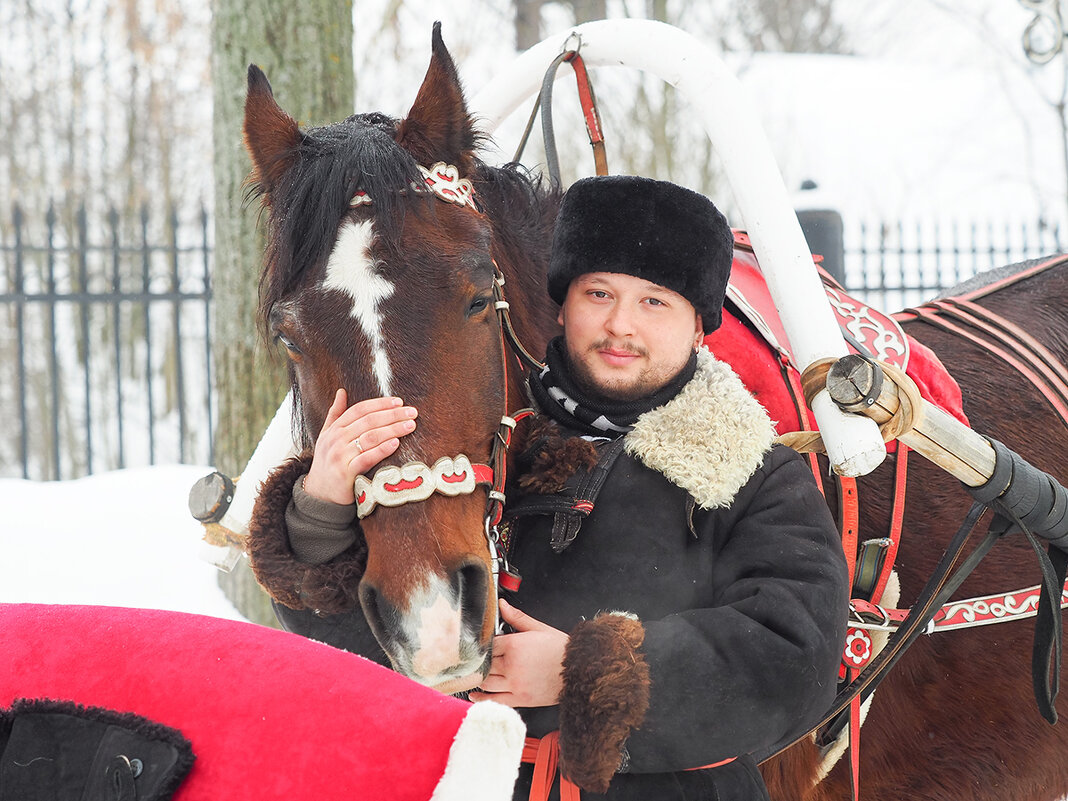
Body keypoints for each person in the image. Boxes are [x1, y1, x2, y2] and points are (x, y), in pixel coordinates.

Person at [248, 175, 849, 801]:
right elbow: (354, 647)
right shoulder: (472, 444)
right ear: (561, 304)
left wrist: (583, 675)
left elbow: (795, 660)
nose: (620, 325)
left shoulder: (748, 470)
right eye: (599, 293)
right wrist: (321, 510)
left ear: (699, 326)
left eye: (655, 302)